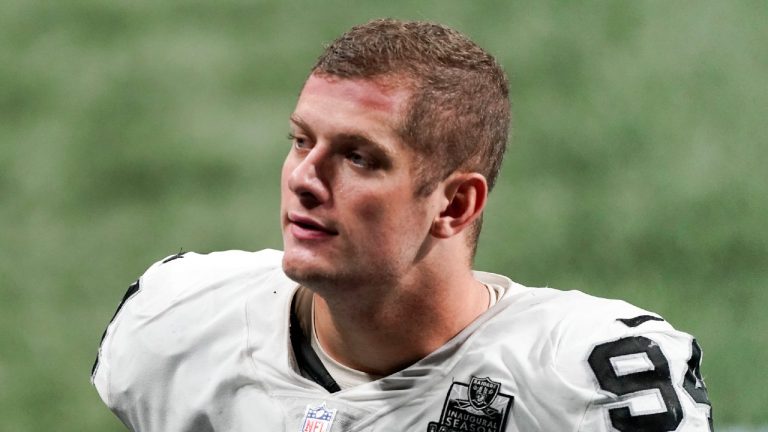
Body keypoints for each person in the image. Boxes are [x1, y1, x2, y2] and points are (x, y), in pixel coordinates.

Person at [92, 18, 712, 432]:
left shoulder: (583, 379)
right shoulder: (178, 324)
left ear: (455, 206)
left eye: (359, 157)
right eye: (301, 141)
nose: (305, 178)